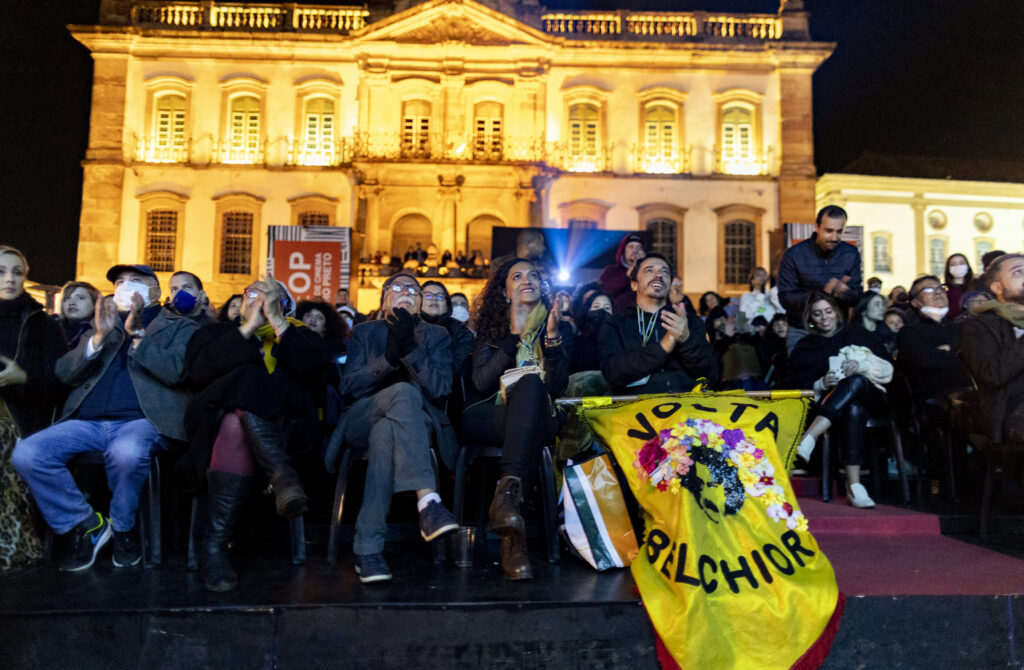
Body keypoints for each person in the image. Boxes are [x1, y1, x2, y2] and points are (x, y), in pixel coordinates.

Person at [12, 264, 197, 571]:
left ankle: (124, 528)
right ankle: (88, 523)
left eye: (134, 281)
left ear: (154, 291)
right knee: (27, 454)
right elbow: (63, 373)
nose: (125, 286)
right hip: (86, 421)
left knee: (126, 452)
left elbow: (176, 371)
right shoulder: (102, 325)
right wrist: (97, 337)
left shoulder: (179, 326)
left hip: (141, 421)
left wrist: (137, 334)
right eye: (120, 282)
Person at [180, 279, 331, 591]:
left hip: (289, 432)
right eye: (252, 294)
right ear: (237, 307)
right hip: (216, 432)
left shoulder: (300, 335)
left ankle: (214, 546)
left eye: (271, 296)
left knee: (243, 405)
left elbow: (317, 372)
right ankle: (282, 478)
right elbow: (197, 374)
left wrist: (277, 322)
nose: (260, 299)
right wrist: (248, 329)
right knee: (241, 399)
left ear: (284, 305)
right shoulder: (216, 334)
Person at [324, 273, 458, 584]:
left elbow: (440, 390)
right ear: (384, 296)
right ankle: (427, 500)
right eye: (398, 287)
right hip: (362, 414)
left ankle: (367, 549)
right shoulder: (364, 332)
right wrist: (388, 358)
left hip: (415, 421)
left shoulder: (436, 336)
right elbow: (349, 387)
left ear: (421, 301)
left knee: (385, 434)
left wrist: (410, 349)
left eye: (414, 289)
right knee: (402, 392)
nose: (406, 292)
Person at [461, 258, 572, 580]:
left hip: (540, 413)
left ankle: (508, 501)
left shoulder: (558, 328)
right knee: (528, 390)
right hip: (489, 413)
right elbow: (481, 382)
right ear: (505, 291)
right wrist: (512, 336)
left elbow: (557, 386)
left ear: (542, 286)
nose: (527, 280)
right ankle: (512, 527)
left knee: (533, 385)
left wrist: (551, 342)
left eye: (534, 275)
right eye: (517, 276)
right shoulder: (491, 328)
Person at [788, 291, 893, 508]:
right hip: (833, 405)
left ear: (836, 313)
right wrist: (821, 383)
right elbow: (794, 388)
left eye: (828, 311)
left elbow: (888, 369)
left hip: (872, 398)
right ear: (811, 320)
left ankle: (810, 437)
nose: (824, 317)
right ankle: (854, 487)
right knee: (853, 409)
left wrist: (862, 366)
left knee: (856, 381)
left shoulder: (857, 333)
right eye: (817, 314)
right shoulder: (806, 346)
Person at [0, 246, 67, 571]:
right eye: (1, 272)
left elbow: (58, 382)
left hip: (24, 417)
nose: (10, 279)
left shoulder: (42, 324)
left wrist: (21, 377)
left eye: (17, 272)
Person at [598, 253, 717, 395]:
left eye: (664, 272)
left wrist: (686, 340)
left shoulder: (689, 321)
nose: (658, 275)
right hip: (634, 407)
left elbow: (711, 374)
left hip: (686, 405)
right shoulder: (616, 323)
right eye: (649, 270)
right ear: (634, 284)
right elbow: (613, 373)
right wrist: (663, 347)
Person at [960, 253, 1024, 490]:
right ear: (997, 287)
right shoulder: (981, 326)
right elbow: (991, 375)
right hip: (1010, 412)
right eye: (1018, 272)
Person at [778, 205, 863, 352]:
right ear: (816, 227)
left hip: (837, 330)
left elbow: (857, 296)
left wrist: (844, 292)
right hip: (802, 329)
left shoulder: (850, 253)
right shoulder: (794, 255)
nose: (834, 237)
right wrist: (823, 292)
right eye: (829, 231)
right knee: (802, 373)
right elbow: (786, 298)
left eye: (839, 231)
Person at [419, 281, 474, 380]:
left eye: (440, 297)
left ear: (447, 305)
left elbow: (460, 366)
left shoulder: (460, 332)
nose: (434, 299)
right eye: (428, 296)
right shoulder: (410, 326)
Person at [599, 233, 645, 313]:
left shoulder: (648, 273)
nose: (635, 251)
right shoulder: (611, 271)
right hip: (618, 316)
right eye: (631, 247)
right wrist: (632, 271)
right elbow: (607, 289)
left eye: (639, 248)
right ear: (623, 251)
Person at [570, 292, 612, 374]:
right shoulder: (577, 344)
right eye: (596, 306)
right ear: (588, 311)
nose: (601, 311)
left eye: (607, 308)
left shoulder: (618, 343)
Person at [57, 281, 102, 349]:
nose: (71, 302)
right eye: (67, 298)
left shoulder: (103, 332)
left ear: (95, 304)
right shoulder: (49, 327)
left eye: (80, 298)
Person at [738, 266, 780, 333]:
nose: (762, 277)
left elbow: (781, 311)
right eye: (758, 275)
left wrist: (773, 290)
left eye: (764, 275)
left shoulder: (772, 294)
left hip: (771, 331)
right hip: (753, 332)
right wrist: (761, 295)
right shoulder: (746, 296)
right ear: (752, 280)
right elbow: (743, 318)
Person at [943, 254, 974, 321]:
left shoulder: (976, 288)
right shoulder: (945, 291)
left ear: (967, 266)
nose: (958, 266)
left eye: (961, 263)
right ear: (948, 269)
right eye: (953, 264)